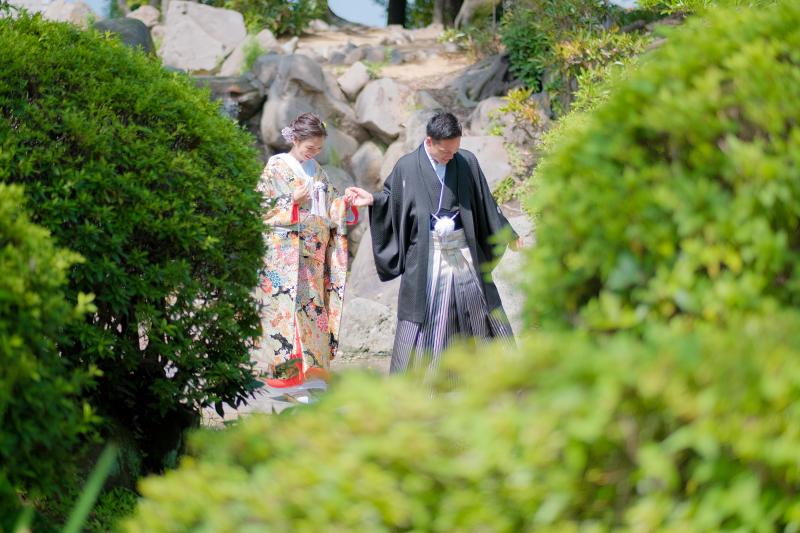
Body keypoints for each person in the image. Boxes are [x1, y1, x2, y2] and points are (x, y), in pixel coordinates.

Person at [345, 111, 522, 385]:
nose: (450, 156)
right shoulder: (406, 167)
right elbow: (393, 200)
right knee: (428, 317)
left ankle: (498, 377)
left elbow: (485, 200)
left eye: (454, 150)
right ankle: (421, 383)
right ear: (429, 141)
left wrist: (507, 233)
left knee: (480, 309)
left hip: (463, 251)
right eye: (445, 151)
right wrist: (373, 201)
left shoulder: (466, 162)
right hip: (428, 255)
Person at [254, 112, 358, 389]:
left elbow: (334, 206)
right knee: (288, 315)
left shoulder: (317, 170)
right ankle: (292, 379)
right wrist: (291, 200)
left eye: (319, 149)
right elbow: (259, 207)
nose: (314, 153)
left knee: (313, 313)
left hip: (313, 255)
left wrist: (344, 202)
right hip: (285, 257)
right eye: (309, 147)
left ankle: (312, 375)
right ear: (295, 139)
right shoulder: (276, 167)